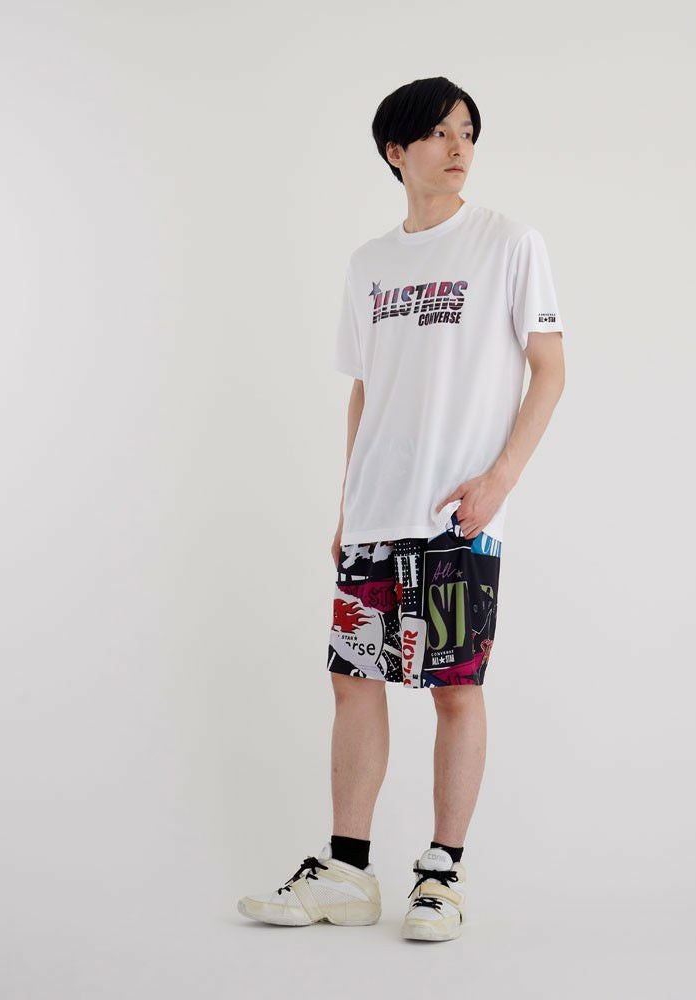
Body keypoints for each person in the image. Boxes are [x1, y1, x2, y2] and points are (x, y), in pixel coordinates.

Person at [238, 76, 565, 942]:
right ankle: (348, 871)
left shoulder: (508, 243)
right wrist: (349, 504)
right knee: (354, 682)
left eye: (469, 133)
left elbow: (551, 369)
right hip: (376, 513)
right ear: (397, 151)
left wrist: (500, 479)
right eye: (440, 133)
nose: (459, 148)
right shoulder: (369, 265)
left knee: (454, 689)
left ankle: (441, 876)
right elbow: (366, 390)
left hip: (458, 516)